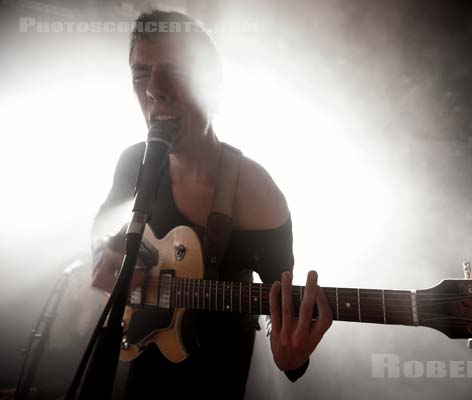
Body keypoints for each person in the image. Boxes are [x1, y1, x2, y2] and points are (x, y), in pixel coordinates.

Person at [90, 9, 332, 399]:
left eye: (176, 71)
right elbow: (102, 226)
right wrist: (104, 252)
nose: (153, 89)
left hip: (215, 380)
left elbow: (283, 311)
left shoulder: (258, 194)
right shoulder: (133, 162)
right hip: (134, 371)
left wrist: (293, 358)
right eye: (141, 73)